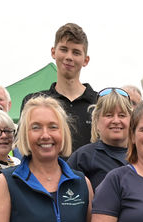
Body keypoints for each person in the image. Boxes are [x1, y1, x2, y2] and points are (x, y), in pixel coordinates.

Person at [21, 23, 98, 151]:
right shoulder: (33, 103)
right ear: (53, 52)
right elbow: (24, 149)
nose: (69, 57)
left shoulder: (99, 103)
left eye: (76, 52)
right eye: (63, 49)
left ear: (86, 60)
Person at [68, 87, 135, 189]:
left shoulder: (142, 155)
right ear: (96, 120)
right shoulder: (82, 158)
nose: (116, 120)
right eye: (109, 115)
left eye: (122, 115)